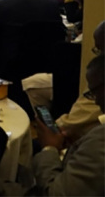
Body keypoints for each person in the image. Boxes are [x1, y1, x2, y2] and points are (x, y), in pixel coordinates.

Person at [32, 54, 104, 196]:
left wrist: (49, 148)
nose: (95, 102)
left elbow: (54, 193)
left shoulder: (100, 140)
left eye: (94, 93)